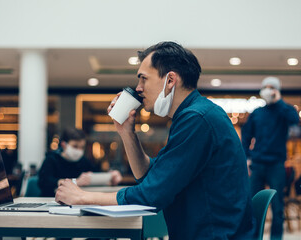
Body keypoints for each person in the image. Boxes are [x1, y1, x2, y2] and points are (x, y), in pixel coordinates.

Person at [55, 41, 255, 239]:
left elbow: (151, 196)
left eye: (143, 79)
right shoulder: (193, 115)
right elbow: (149, 177)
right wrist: (127, 133)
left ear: (170, 80)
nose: (138, 88)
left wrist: (83, 197)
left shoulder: (197, 120)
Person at [242, 76, 299, 240]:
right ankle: (252, 236)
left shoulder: (284, 111)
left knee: (277, 205)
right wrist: (247, 157)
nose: (268, 90)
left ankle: (276, 238)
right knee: (252, 204)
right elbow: (246, 136)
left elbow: (294, 120)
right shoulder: (257, 113)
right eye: (265, 87)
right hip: (258, 164)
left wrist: (279, 100)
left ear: (277, 90)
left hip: (276, 165)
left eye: (271, 87)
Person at [38, 127, 122, 197]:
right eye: (75, 146)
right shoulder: (51, 159)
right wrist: (75, 182)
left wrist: (110, 177)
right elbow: (45, 182)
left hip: (76, 201)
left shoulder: (83, 161)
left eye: (82, 147)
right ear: (64, 145)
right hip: (51, 200)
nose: (79, 150)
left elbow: (95, 175)